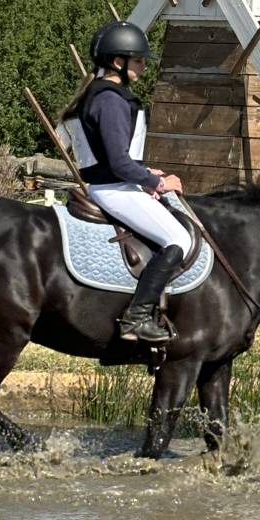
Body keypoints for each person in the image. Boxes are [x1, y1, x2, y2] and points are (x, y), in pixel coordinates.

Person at [58, 20, 192, 344]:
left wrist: (148, 174)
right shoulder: (110, 99)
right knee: (179, 240)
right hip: (113, 189)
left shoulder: (97, 94)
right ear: (118, 62)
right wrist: (157, 183)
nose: (144, 67)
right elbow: (118, 163)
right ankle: (136, 318)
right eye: (139, 60)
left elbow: (116, 158)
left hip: (109, 184)